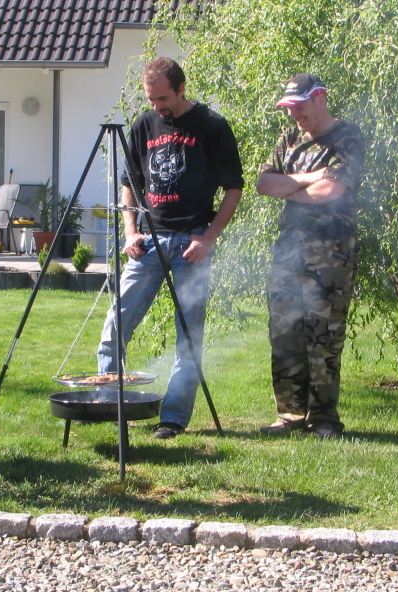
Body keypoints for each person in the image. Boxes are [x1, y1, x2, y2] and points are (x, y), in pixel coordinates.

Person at [97, 57, 244, 439]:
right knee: (116, 324)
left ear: (181, 88)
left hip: (193, 241)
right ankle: (111, 406)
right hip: (149, 242)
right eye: (151, 98)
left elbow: (234, 189)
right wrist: (130, 231)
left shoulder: (212, 126)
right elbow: (130, 181)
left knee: (188, 336)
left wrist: (208, 238)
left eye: (163, 98)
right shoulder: (144, 125)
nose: (157, 106)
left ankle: (173, 419)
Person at [256, 73, 365, 439]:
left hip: (331, 251)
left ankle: (323, 419)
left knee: (324, 334)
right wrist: (309, 179)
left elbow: (328, 192)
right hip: (289, 249)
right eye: (288, 108)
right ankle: (289, 414)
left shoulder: (348, 137)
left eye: (299, 107)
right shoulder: (289, 138)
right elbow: (264, 183)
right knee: (284, 331)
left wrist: (292, 186)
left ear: (320, 98)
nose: (293, 115)